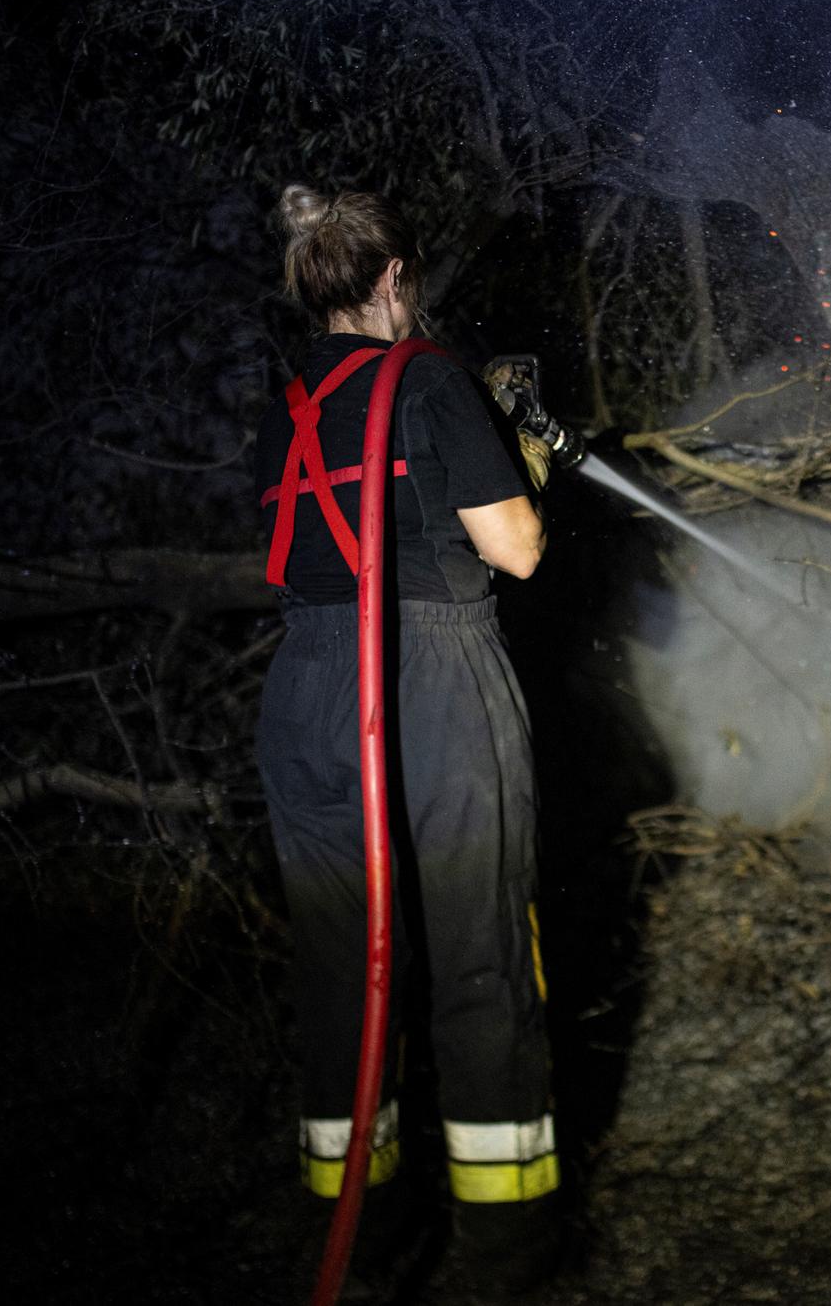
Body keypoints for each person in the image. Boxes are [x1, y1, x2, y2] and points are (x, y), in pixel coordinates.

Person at [253, 184, 559, 1292]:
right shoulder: (428, 378)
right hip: (427, 681)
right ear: (393, 280)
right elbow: (516, 548)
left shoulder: (285, 402)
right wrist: (517, 445)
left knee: (343, 973)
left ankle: (360, 1242)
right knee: (481, 959)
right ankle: (504, 1251)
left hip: (304, 693)